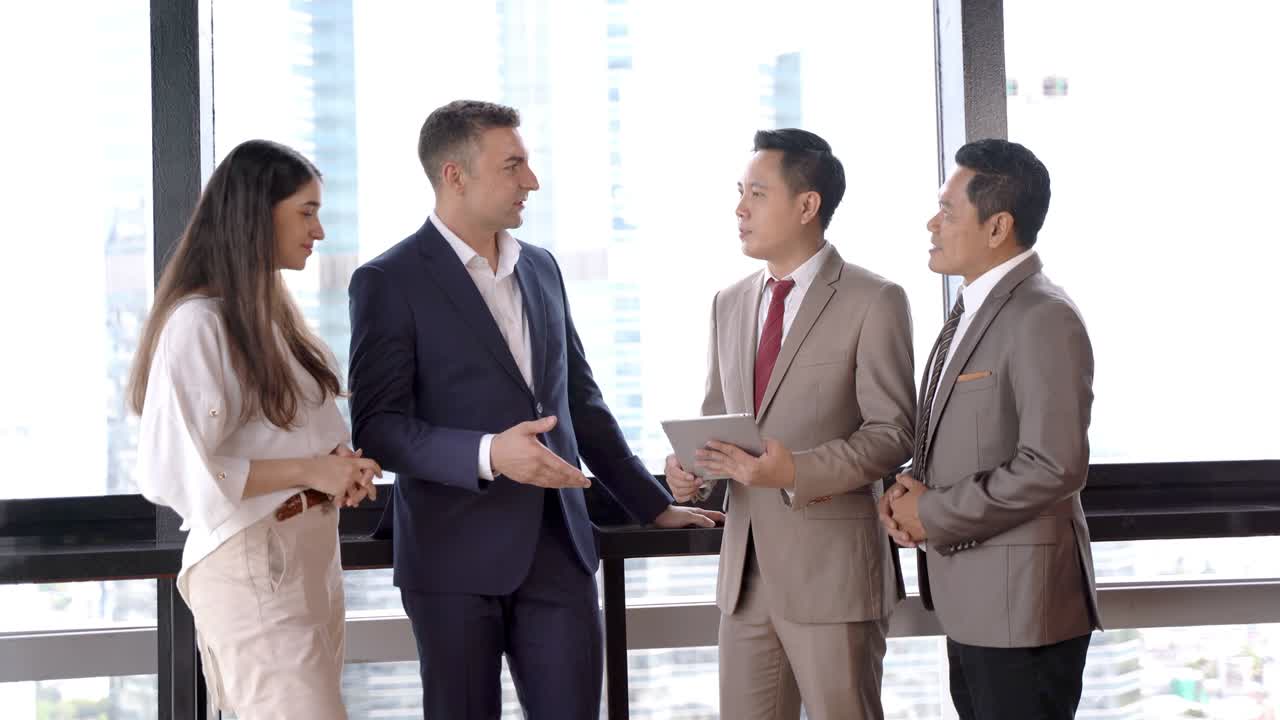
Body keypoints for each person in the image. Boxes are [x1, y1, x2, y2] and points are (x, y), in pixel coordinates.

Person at [347, 100, 720, 719]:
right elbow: (379, 427)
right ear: (454, 175)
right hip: (451, 556)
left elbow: (581, 403)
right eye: (513, 165)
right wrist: (491, 455)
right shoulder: (388, 280)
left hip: (559, 553)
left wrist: (651, 504)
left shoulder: (541, 268)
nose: (532, 181)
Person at [665, 129, 916, 720]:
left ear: (808, 206)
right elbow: (716, 422)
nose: (739, 208)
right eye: (739, 192)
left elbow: (894, 433)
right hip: (746, 580)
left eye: (756, 193)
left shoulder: (874, 299)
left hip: (834, 577)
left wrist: (796, 470)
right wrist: (689, 473)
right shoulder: (729, 301)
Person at [129, 139, 381, 719]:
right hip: (254, 559)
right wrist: (310, 469)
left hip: (310, 553)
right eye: (307, 211)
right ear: (257, 213)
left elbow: (289, 435)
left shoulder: (270, 316)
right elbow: (174, 470)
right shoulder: (198, 324)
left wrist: (336, 467)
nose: (318, 231)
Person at [879, 138, 1102, 720]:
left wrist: (933, 513)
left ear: (998, 225)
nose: (933, 223)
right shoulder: (973, 310)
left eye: (948, 210)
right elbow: (972, 435)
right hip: (978, 606)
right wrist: (911, 488)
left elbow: (1054, 467)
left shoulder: (1042, 315)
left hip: (1024, 614)